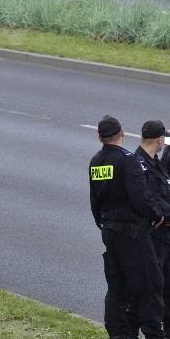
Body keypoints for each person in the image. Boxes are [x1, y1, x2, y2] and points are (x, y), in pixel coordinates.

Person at [90, 115, 167, 339]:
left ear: (99, 137)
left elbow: (95, 199)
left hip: (110, 230)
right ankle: (154, 333)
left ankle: (119, 334)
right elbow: (140, 198)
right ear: (122, 133)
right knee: (151, 286)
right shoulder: (127, 160)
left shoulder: (95, 161)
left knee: (117, 289)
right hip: (133, 234)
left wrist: (102, 223)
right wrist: (157, 215)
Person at [134, 120, 170, 336]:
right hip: (154, 236)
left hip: (165, 234)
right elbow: (151, 202)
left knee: (167, 289)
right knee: (154, 289)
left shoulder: (157, 163)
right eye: (164, 137)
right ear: (159, 139)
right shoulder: (139, 165)